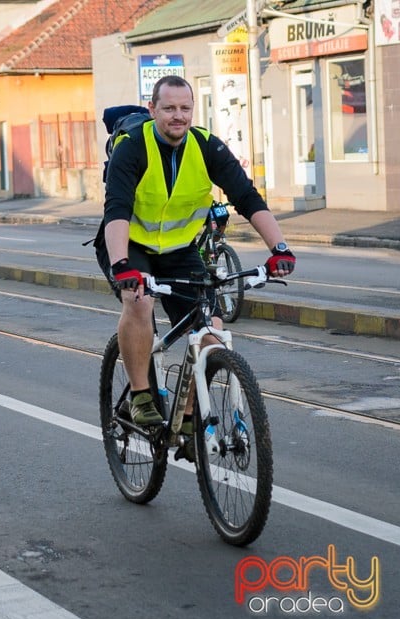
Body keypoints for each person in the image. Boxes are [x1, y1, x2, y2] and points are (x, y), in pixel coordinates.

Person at [97, 75, 295, 444]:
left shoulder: (206, 147)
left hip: (180, 250)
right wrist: (123, 265)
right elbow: (117, 210)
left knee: (211, 331)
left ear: (193, 110)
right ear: (152, 109)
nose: (178, 116)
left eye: (185, 108)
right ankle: (141, 395)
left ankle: (187, 417)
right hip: (130, 244)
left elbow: (248, 199)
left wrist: (279, 249)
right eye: (169, 108)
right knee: (138, 302)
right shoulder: (133, 147)